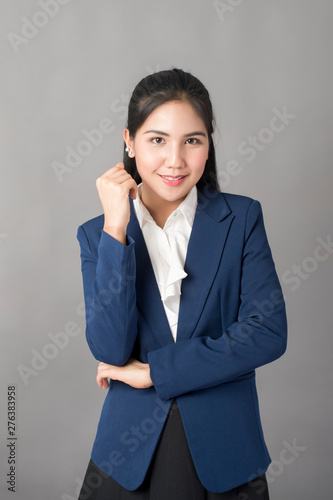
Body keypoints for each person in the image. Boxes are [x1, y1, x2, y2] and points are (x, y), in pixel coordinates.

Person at [76, 68, 287, 500]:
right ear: (129, 142)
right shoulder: (97, 234)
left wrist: (156, 372)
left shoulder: (241, 218)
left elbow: (266, 333)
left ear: (208, 146)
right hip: (127, 455)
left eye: (193, 140)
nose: (175, 160)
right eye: (157, 140)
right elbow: (111, 349)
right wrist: (116, 228)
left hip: (225, 450)